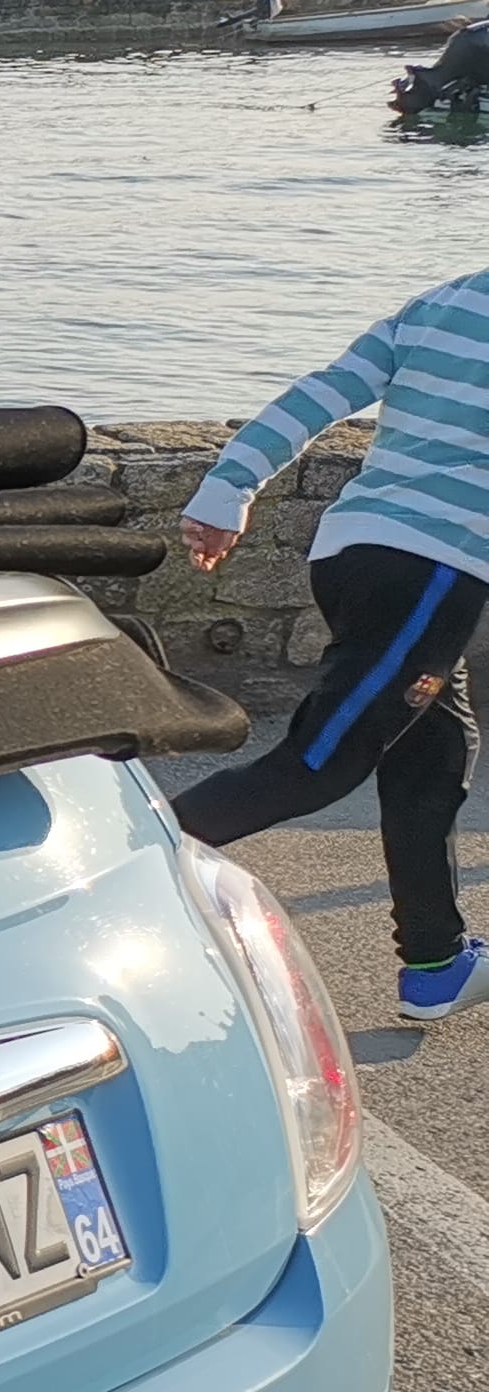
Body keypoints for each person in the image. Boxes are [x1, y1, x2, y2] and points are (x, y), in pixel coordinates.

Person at [173, 264, 489, 1019]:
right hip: (434, 569)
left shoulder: (444, 300)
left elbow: (324, 390)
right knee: (317, 765)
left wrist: (228, 487)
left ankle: (436, 961)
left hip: (354, 554)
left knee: (436, 755)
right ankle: (93, 875)